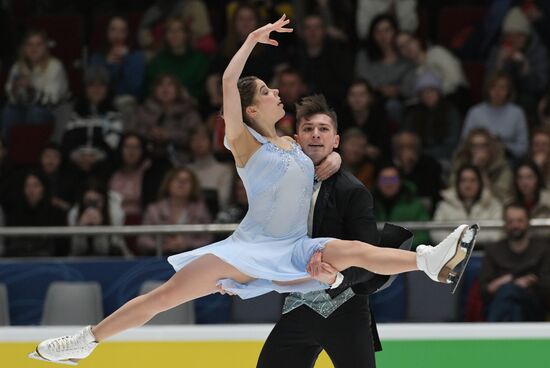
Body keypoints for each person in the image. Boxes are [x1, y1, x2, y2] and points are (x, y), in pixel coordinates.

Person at [30, 16, 477, 365]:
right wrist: (250, 41)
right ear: (249, 107)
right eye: (267, 89)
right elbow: (228, 84)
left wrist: (334, 160)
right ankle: (86, 340)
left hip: (294, 246)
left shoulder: (294, 144)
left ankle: (430, 261)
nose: (277, 91)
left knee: (353, 248)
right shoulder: (245, 143)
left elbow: (322, 164)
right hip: (248, 249)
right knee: (163, 297)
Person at [257, 94, 384, 368]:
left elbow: (370, 258)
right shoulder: (282, 183)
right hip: (297, 306)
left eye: (323, 129)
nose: (315, 135)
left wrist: (338, 278)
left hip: (344, 308)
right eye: (308, 129)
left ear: (335, 140)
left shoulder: (352, 191)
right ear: (296, 138)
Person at [479, 203, 550, 321]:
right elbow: (485, 290)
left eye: (520, 221)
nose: (515, 225)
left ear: (528, 222)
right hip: (500, 304)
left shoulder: (542, 250)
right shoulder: (493, 250)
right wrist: (515, 282)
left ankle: (495, 334)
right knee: (513, 305)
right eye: (510, 221)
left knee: (509, 292)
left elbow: (546, 287)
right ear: (505, 225)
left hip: (533, 308)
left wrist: (506, 283)